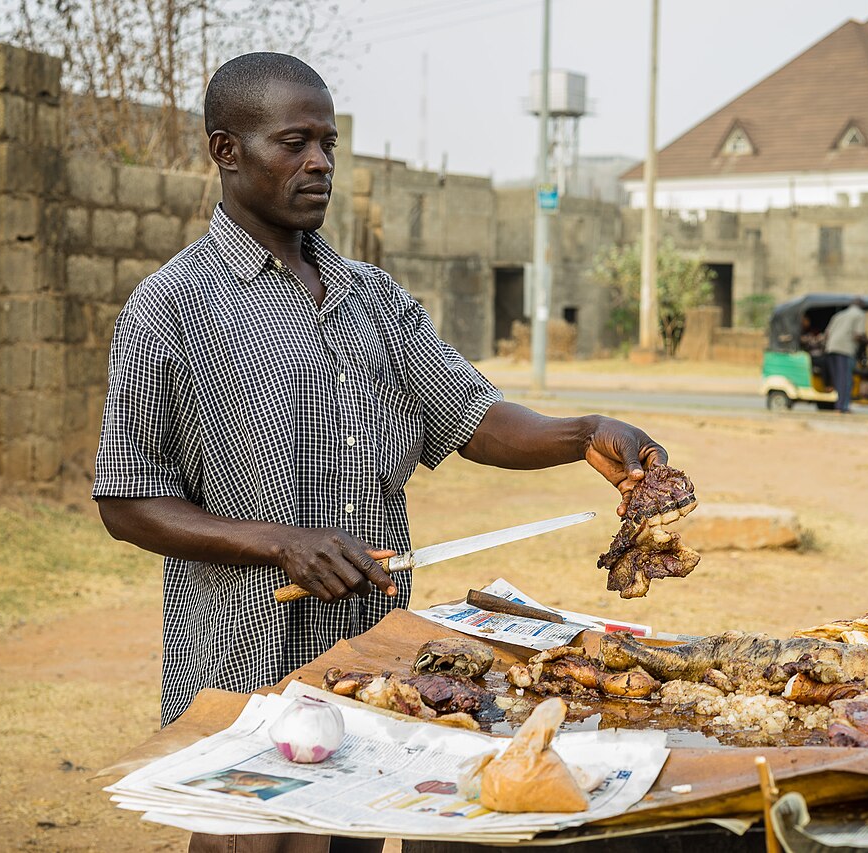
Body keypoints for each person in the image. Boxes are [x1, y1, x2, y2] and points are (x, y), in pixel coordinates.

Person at [91, 52, 670, 853]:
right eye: (294, 143)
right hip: (242, 662)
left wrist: (582, 433)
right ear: (227, 151)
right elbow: (125, 499)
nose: (319, 162)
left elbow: (473, 415)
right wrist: (279, 542)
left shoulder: (373, 298)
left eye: (327, 143)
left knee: (360, 835)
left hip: (368, 662)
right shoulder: (170, 308)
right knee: (255, 844)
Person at [823, 298, 868, 413]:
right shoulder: (860, 315)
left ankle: (839, 405)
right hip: (845, 349)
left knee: (838, 379)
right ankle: (842, 407)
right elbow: (857, 335)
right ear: (861, 306)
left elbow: (827, 334)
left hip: (831, 348)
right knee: (846, 380)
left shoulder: (839, 315)